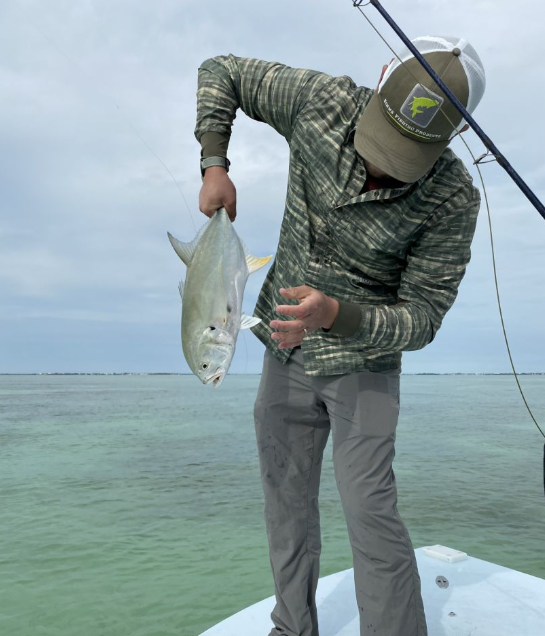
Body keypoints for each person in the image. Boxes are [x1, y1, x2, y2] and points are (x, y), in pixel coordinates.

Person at [195, 36, 486, 636]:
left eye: (405, 155)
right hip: (284, 351)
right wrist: (215, 162)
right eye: (383, 141)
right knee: (286, 501)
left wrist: (339, 315)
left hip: (366, 364)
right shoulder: (320, 102)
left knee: (370, 511)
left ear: (449, 139)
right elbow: (220, 70)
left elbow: (424, 317)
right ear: (380, 83)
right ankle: (291, 626)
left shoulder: (453, 198)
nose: (383, 165)